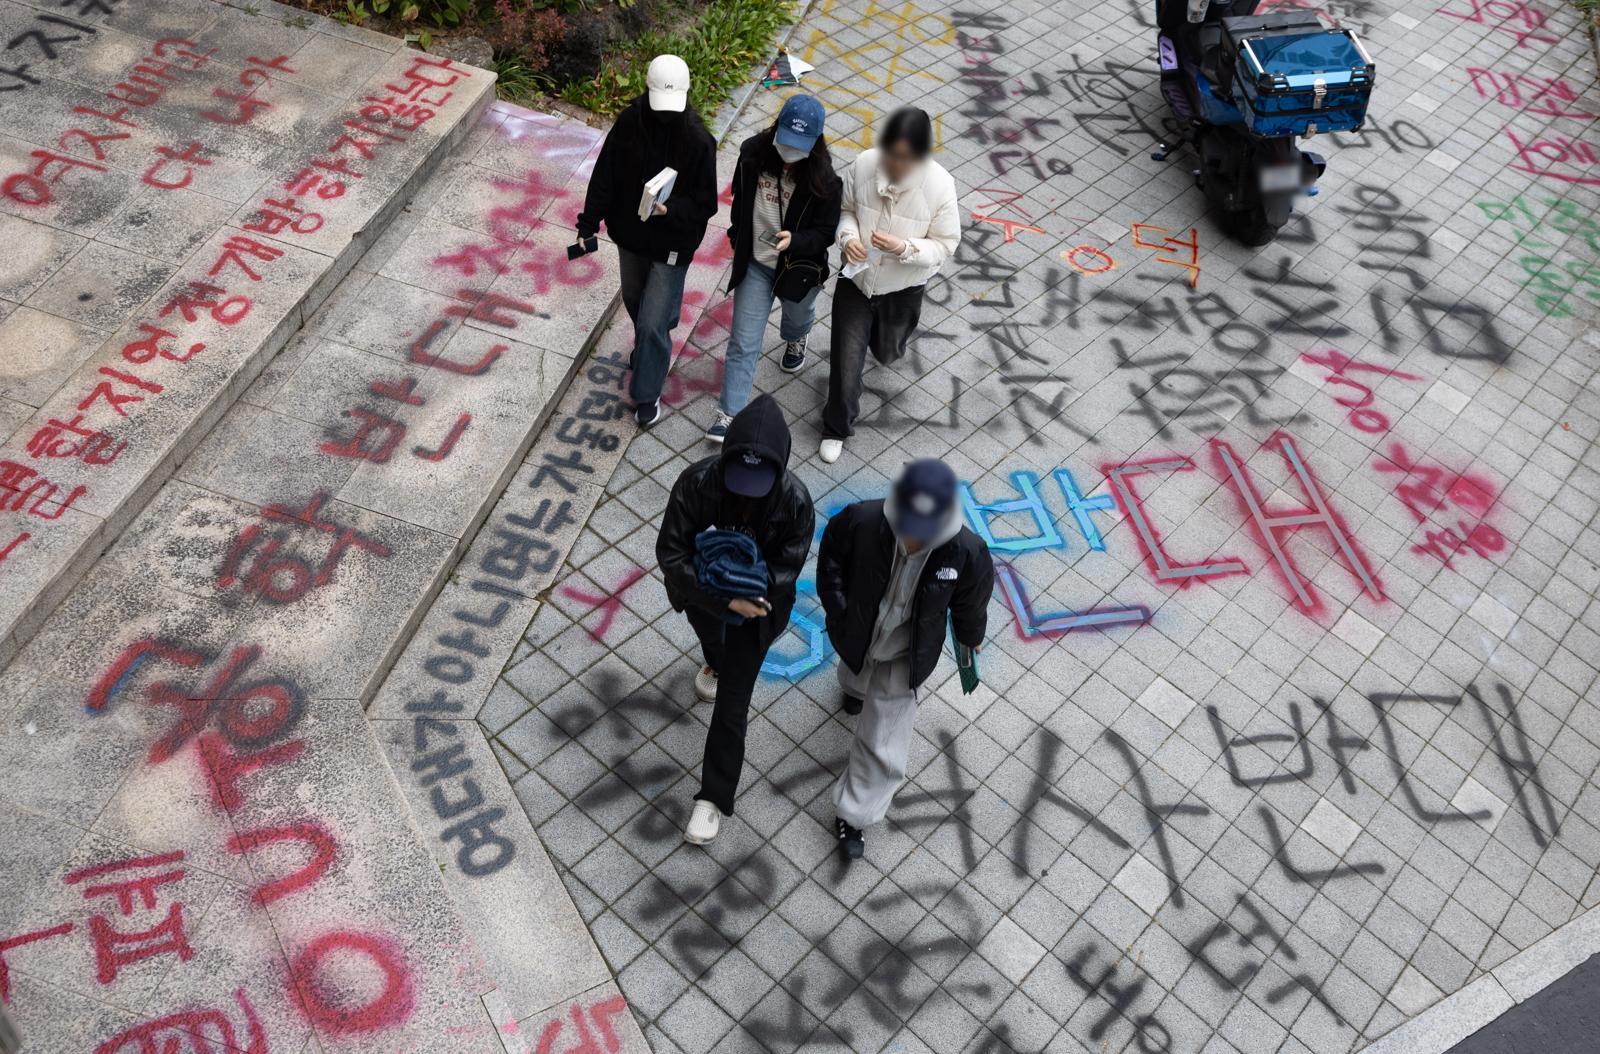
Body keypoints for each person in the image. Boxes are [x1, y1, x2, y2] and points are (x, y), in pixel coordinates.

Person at [656, 393, 815, 844]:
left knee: (733, 702)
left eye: (758, 481)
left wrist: (751, 593)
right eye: (738, 477)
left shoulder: (796, 501)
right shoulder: (697, 482)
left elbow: (786, 568)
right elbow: (670, 551)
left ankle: (713, 798)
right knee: (713, 643)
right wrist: (724, 599)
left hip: (759, 608)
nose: (745, 491)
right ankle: (715, 660)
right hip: (702, 596)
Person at [816, 459, 993, 860]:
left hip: (907, 649)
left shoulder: (966, 551)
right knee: (855, 671)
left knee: (882, 738)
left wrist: (970, 638)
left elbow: (971, 602)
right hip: (858, 631)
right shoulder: (862, 521)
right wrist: (839, 610)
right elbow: (831, 561)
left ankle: (854, 815)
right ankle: (854, 688)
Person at [575, 54, 718, 428]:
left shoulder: (700, 142)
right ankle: (651, 347)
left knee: (654, 322)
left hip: (673, 243)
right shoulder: (628, 125)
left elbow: (706, 204)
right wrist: (588, 222)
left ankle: (646, 392)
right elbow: (605, 173)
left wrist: (671, 211)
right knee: (636, 300)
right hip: (631, 236)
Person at [819, 108, 961, 464]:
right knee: (846, 359)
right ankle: (836, 426)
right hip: (857, 279)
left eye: (906, 158)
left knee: (887, 351)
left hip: (904, 289)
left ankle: (885, 344)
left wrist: (906, 249)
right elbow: (846, 209)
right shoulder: (864, 164)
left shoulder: (941, 186)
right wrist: (847, 236)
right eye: (891, 155)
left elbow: (945, 244)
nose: (896, 164)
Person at [710, 95, 843, 442]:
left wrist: (795, 241)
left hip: (797, 267)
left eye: (800, 146)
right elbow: (740, 198)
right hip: (755, 263)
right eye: (786, 141)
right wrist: (737, 234)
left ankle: (796, 337)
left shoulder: (826, 182)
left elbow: (826, 233)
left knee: (797, 318)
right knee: (743, 341)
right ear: (776, 128)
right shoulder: (752, 153)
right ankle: (729, 415)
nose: (790, 151)